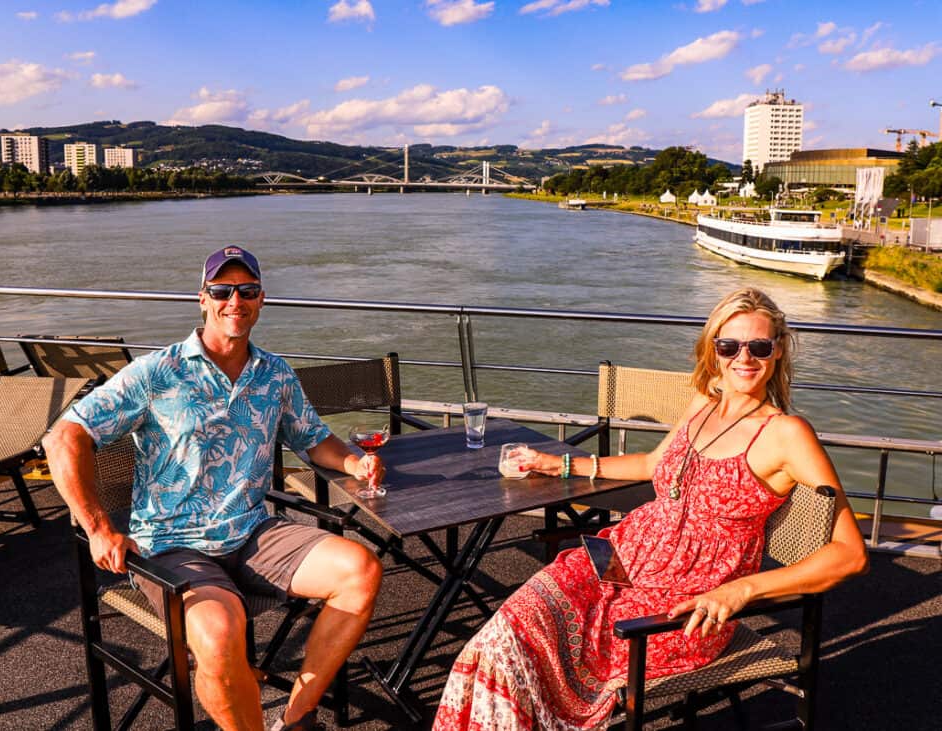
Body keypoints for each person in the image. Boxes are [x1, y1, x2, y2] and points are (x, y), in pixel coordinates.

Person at [433, 287, 869, 730]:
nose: (744, 357)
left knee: (534, 657)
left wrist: (743, 590)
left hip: (683, 603)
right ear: (713, 350)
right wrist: (559, 463)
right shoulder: (706, 402)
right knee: (497, 640)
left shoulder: (787, 434)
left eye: (759, 346)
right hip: (617, 558)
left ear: (777, 352)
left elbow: (850, 553)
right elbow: (652, 464)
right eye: (729, 345)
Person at [44, 245, 384, 731]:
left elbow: (314, 440)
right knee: (221, 637)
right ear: (202, 299)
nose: (234, 301)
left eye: (246, 291)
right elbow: (65, 435)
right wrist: (98, 527)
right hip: (171, 545)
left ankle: (295, 717)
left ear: (261, 300)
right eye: (222, 291)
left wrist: (354, 460)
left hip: (253, 532)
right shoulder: (158, 372)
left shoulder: (275, 374)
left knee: (360, 569)